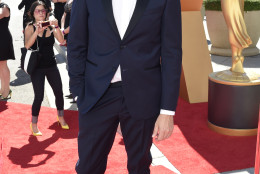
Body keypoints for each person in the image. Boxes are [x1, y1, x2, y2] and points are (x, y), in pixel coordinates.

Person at [68, 0, 182, 173]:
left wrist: (167, 111)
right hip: (96, 94)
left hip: (143, 94)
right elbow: (76, 42)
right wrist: (77, 91)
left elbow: (171, 53)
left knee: (139, 166)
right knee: (88, 167)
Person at [24, 1, 69, 136]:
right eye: (37, 11)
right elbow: (27, 45)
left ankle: (60, 117)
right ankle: (34, 124)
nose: (41, 13)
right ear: (32, 13)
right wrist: (37, 32)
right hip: (37, 67)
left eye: (43, 11)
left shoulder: (50, 26)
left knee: (59, 92)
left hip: (51, 65)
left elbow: (61, 41)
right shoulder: (30, 27)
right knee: (38, 96)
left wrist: (56, 27)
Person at [0, 1, 15, 100]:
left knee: (3, 64)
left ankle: (6, 90)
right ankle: (3, 89)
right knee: (0, 65)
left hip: (3, 39)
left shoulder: (4, 7)